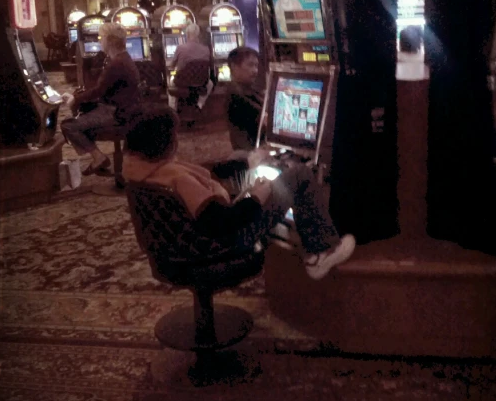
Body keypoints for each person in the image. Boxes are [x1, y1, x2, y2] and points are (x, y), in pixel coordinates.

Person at [123, 109, 356, 280]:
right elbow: (223, 223)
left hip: (174, 248)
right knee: (300, 175)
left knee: (237, 159)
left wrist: (248, 162)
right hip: (220, 246)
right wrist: (256, 197)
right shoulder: (178, 180)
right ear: (165, 144)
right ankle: (321, 251)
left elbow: (204, 173)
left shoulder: (143, 170)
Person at [61, 21, 141, 175]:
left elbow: (98, 91)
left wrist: (75, 99)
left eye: (101, 37)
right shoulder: (123, 58)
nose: (99, 41)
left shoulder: (116, 64)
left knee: (69, 125)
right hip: (124, 109)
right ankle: (99, 158)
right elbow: (102, 89)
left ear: (109, 41)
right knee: (82, 118)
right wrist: (77, 96)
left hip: (116, 113)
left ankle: (98, 157)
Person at [225, 46, 264, 152]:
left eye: (256, 66)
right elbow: (265, 122)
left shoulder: (246, 89)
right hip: (251, 153)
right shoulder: (236, 95)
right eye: (250, 65)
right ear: (234, 66)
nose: (255, 71)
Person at [168, 22, 211, 110]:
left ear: (187, 34)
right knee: (210, 83)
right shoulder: (206, 49)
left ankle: (172, 109)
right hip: (200, 82)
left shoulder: (180, 48)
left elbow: (172, 66)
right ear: (199, 35)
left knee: (170, 82)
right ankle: (199, 104)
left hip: (183, 82)